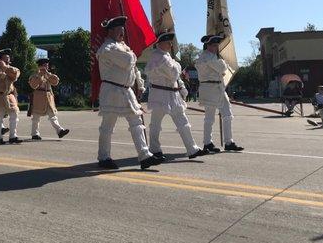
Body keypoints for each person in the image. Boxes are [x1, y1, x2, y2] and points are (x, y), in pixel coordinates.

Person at [96, 16, 161, 170]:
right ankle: (103, 157)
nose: (122, 32)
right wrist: (131, 52)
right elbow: (128, 61)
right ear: (111, 30)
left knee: (136, 123)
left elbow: (133, 68)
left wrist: (139, 84)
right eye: (119, 29)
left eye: (123, 29)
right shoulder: (108, 48)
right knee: (107, 126)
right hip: (112, 91)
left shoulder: (121, 47)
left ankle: (144, 156)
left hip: (125, 90)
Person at [145, 32, 207, 161]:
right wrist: (176, 66)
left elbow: (176, 76)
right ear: (159, 43)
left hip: (173, 94)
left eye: (170, 42)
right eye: (167, 42)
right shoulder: (157, 57)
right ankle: (154, 149)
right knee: (156, 124)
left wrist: (182, 88)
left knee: (183, 122)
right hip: (160, 95)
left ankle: (192, 149)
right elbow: (173, 73)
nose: (170, 44)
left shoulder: (167, 57)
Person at [195, 34, 244, 152]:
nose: (216, 47)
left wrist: (221, 65)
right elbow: (222, 68)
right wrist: (222, 64)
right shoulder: (205, 57)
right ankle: (207, 143)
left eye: (217, 45)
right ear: (207, 45)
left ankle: (228, 142)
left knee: (227, 114)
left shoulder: (213, 58)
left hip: (219, 87)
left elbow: (221, 69)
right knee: (209, 118)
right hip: (209, 88)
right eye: (213, 45)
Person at [28, 58, 69, 140]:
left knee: (52, 116)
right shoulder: (34, 75)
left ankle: (60, 131)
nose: (46, 67)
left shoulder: (49, 75)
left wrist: (48, 74)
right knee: (36, 117)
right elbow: (33, 85)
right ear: (39, 67)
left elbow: (55, 82)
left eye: (47, 66)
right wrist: (39, 75)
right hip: (38, 98)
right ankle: (34, 134)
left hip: (48, 98)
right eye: (44, 66)